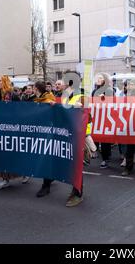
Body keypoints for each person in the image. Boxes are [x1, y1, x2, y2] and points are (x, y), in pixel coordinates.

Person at [37, 75, 86, 207]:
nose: (59, 84)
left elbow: (81, 107)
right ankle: (46, 185)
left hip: (73, 133)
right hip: (57, 131)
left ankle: (77, 193)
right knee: (49, 157)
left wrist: (59, 105)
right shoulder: (58, 94)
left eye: (62, 81)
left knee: (74, 163)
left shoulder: (79, 94)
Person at [0, 75, 22, 191]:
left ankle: (24, 172)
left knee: (14, 154)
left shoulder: (12, 95)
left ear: (4, 82)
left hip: (12, 129)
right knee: (2, 154)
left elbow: (21, 109)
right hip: (0, 129)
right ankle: (5, 179)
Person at [92, 73, 115, 169]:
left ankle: (106, 158)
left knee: (105, 140)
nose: (99, 80)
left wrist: (104, 99)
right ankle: (103, 155)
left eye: (101, 78)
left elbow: (112, 103)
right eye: (98, 78)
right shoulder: (94, 91)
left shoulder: (109, 90)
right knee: (98, 138)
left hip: (106, 117)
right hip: (97, 117)